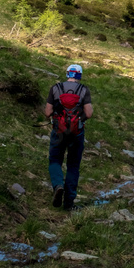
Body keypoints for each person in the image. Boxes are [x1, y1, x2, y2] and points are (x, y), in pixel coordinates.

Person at [45, 63, 93, 210]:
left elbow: (47, 112)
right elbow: (89, 113)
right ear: (79, 75)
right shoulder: (84, 90)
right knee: (73, 166)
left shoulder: (55, 88)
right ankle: (69, 203)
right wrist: (79, 119)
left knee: (55, 160)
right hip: (76, 133)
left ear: (67, 74)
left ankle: (58, 185)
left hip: (58, 131)